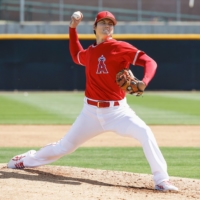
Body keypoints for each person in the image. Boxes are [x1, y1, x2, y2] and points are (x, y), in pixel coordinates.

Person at [7, 11, 178, 192]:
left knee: (144, 132)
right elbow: (76, 55)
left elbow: (150, 62)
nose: (107, 26)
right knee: (64, 147)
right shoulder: (90, 53)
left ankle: (161, 180)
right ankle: (25, 160)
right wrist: (72, 28)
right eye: (103, 23)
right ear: (94, 27)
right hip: (90, 113)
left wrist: (144, 82)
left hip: (118, 113)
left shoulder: (120, 47)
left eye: (110, 23)